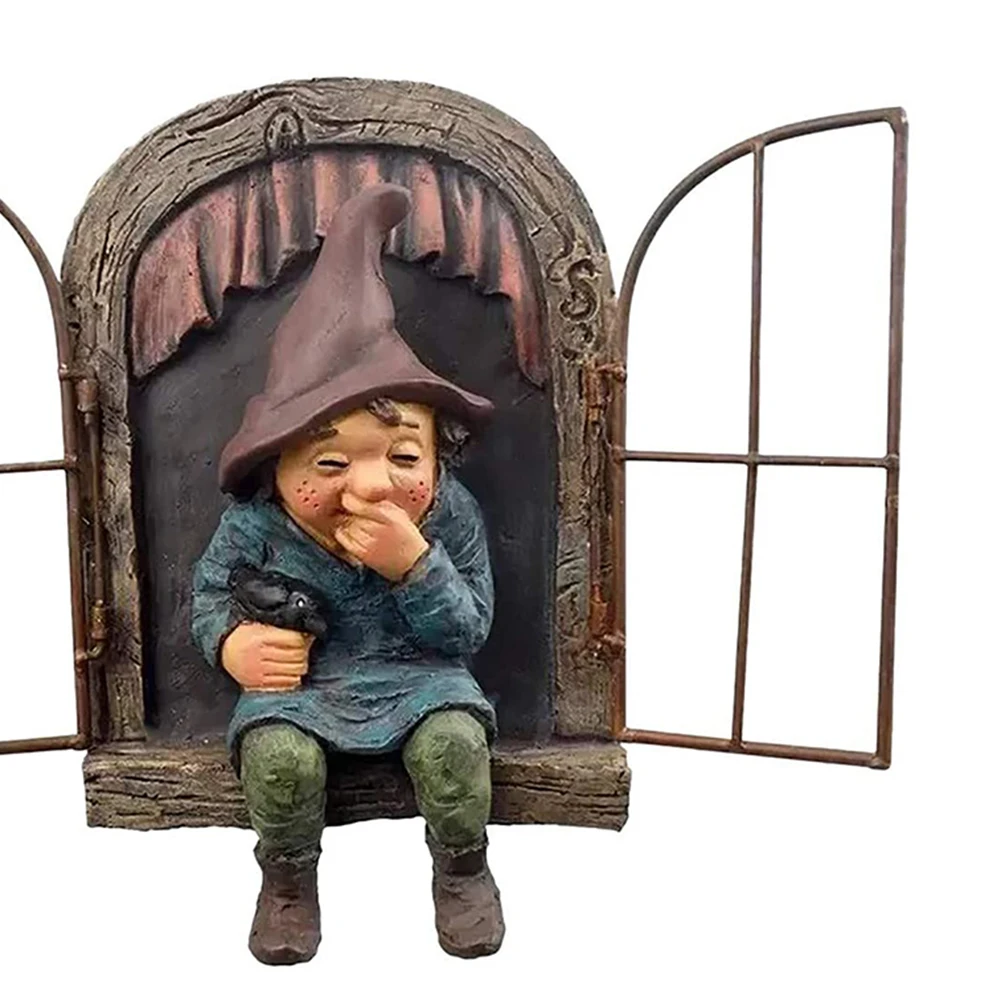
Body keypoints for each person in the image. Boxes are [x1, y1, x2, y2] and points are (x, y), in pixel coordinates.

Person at [191, 183, 504, 964]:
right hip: (303, 691)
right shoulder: (256, 526)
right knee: (279, 762)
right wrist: (233, 645)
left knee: (454, 747)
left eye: (403, 457)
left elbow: (467, 629)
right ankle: (287, 881)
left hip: (420, 680)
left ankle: (462, 869)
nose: (370, 485)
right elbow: (207, 596)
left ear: (437, 455)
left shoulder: (448, 516)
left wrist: (416, 566)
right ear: (277, 464)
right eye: (329, 464)